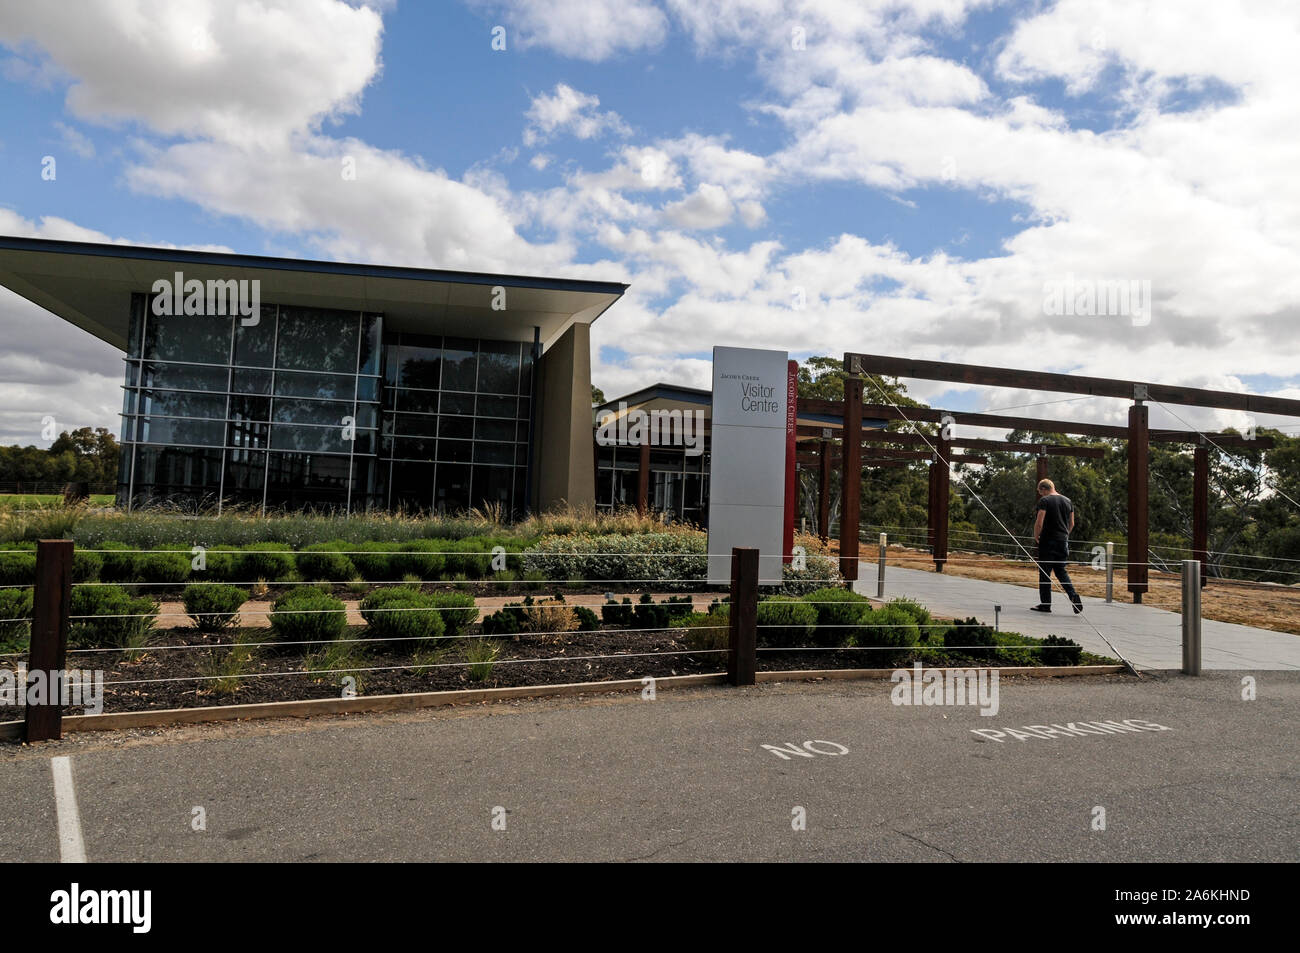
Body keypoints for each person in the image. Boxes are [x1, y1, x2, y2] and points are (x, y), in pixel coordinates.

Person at [1031, 478, 1083, 614]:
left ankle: (1045, 604)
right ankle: (1073, 595)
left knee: (1045, 573)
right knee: (1061, 571)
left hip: (1048, 541)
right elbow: (1072, 523)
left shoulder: (1045, 501)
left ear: (1044, 489)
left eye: (1040, 492)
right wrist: (1065, 536)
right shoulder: (1067, 501)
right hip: (1062, 541)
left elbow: (1039, 521)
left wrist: (1037, 536)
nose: (1040, 495)